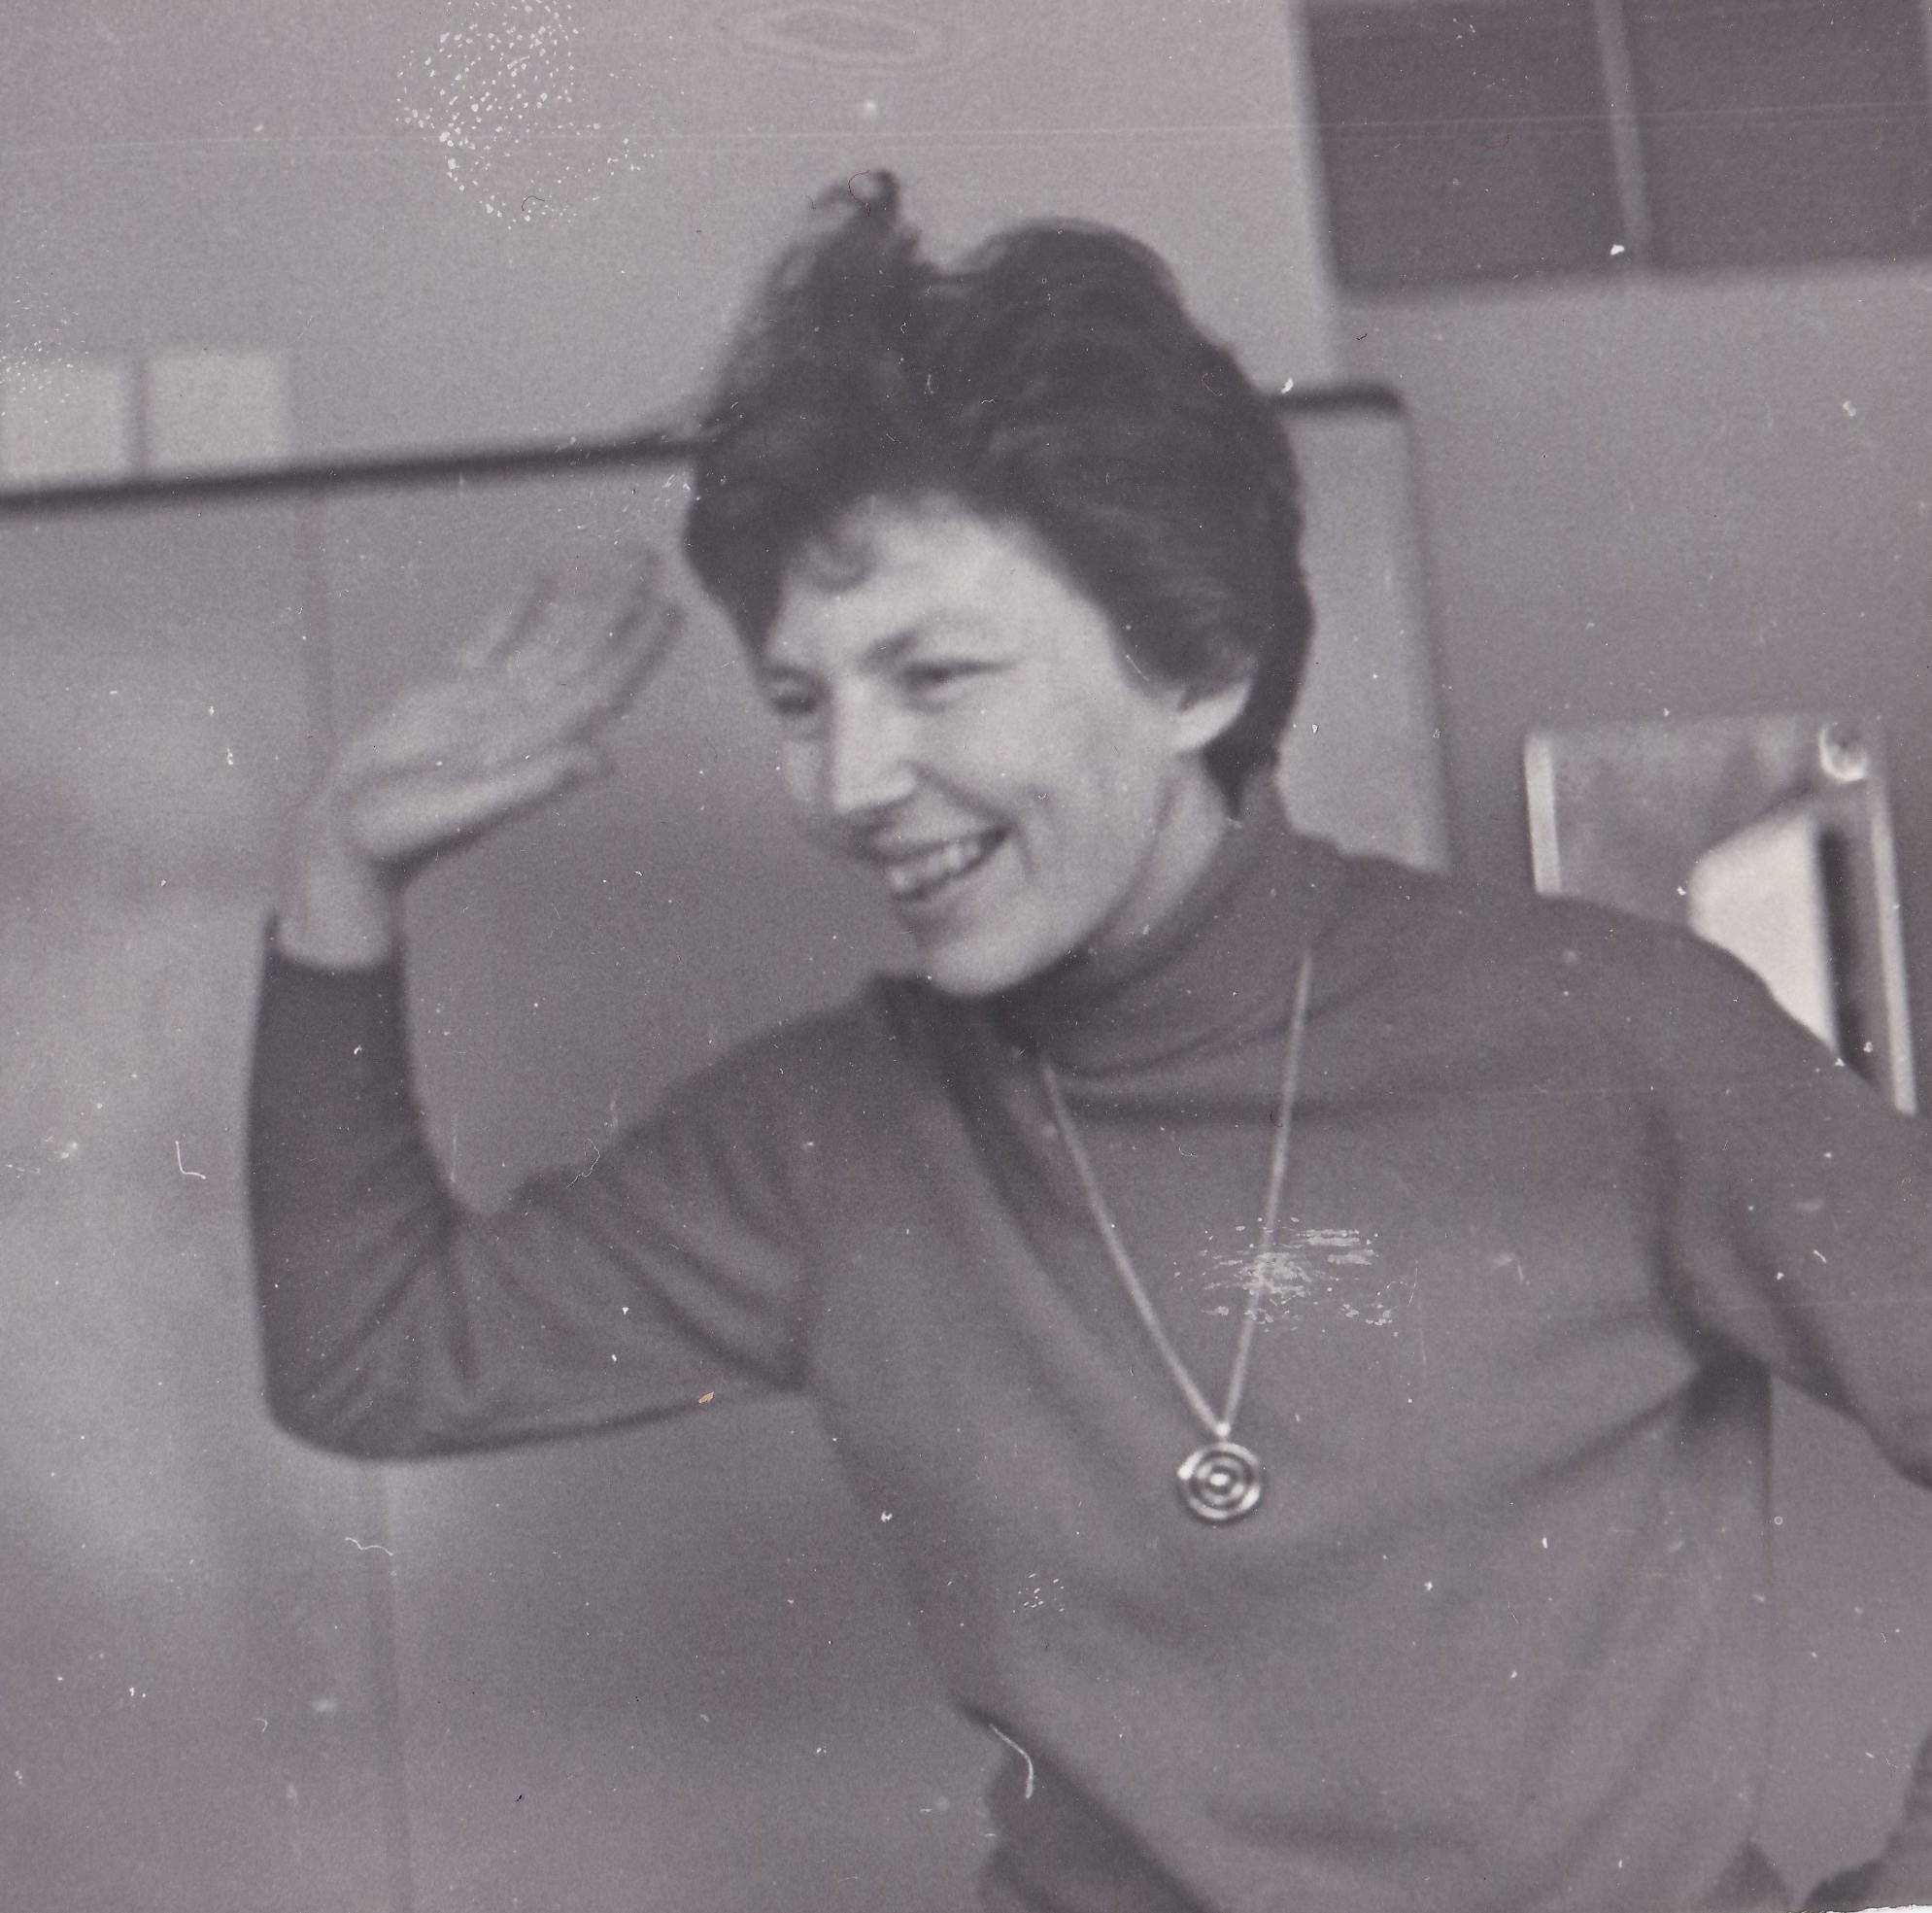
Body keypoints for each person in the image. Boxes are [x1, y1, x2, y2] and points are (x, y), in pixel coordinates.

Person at [250, 173, 1932, 1913]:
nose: (848, 784)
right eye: (800, 701)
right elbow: (374, 1356)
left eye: (934, 677)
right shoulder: (835, 1139)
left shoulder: (1611, 1040)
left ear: (1196, 665)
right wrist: (338, 876)